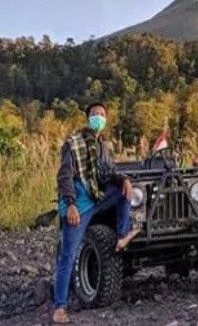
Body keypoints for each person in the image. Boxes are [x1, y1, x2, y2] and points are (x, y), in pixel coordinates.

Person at [52, 102, 139, 324]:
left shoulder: (102, 145)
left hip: (96, 198)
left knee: (123, 191)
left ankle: (121, 236)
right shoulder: (73, 143)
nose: (98, 117)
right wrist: (70, 204)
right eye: (94, 114)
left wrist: (124, 180)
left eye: (101, 115)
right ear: (87, 117)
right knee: (68, 255)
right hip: (79, 205)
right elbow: (64, 177)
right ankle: (59, 307)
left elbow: (108, 172)